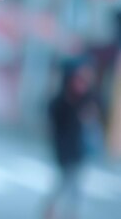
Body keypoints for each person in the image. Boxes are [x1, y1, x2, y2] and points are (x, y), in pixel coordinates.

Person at [44, 57, 101, 219]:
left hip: (79, 150)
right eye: (79, 79)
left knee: (72, 186)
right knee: (65, 184)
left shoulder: (87, 99)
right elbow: (55, 129)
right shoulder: (60, 102)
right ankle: (52, 210)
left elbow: (94, 115)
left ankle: (63, 212)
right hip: (65, 151)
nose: (82, 84)